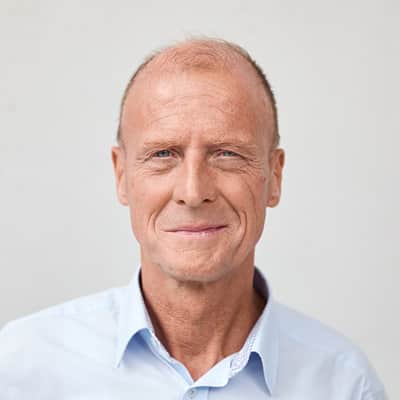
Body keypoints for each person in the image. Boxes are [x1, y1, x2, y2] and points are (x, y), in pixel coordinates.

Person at [0, 38, 387, 399]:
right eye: (163, 154)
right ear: (121, 175)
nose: (193, 190)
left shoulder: (344, 384)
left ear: (275, 176)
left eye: (227, 154)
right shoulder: (22, 368)